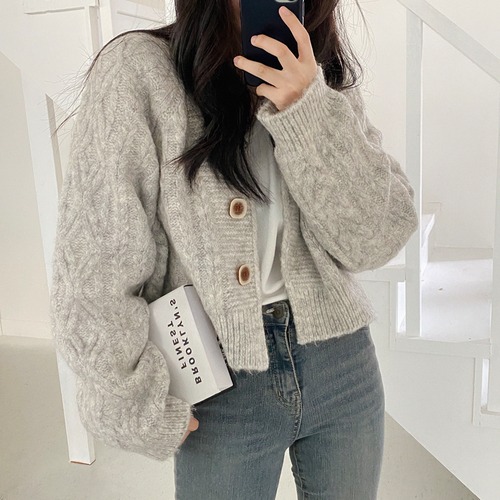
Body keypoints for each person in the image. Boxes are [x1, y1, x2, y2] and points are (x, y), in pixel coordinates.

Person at [50, 0, 419, 498]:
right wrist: (135, 399)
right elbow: (93, 263)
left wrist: (307, 108)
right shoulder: (139, 70)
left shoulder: (315, 67)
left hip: (342, 365)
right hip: (218, 382)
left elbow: (377, 237)